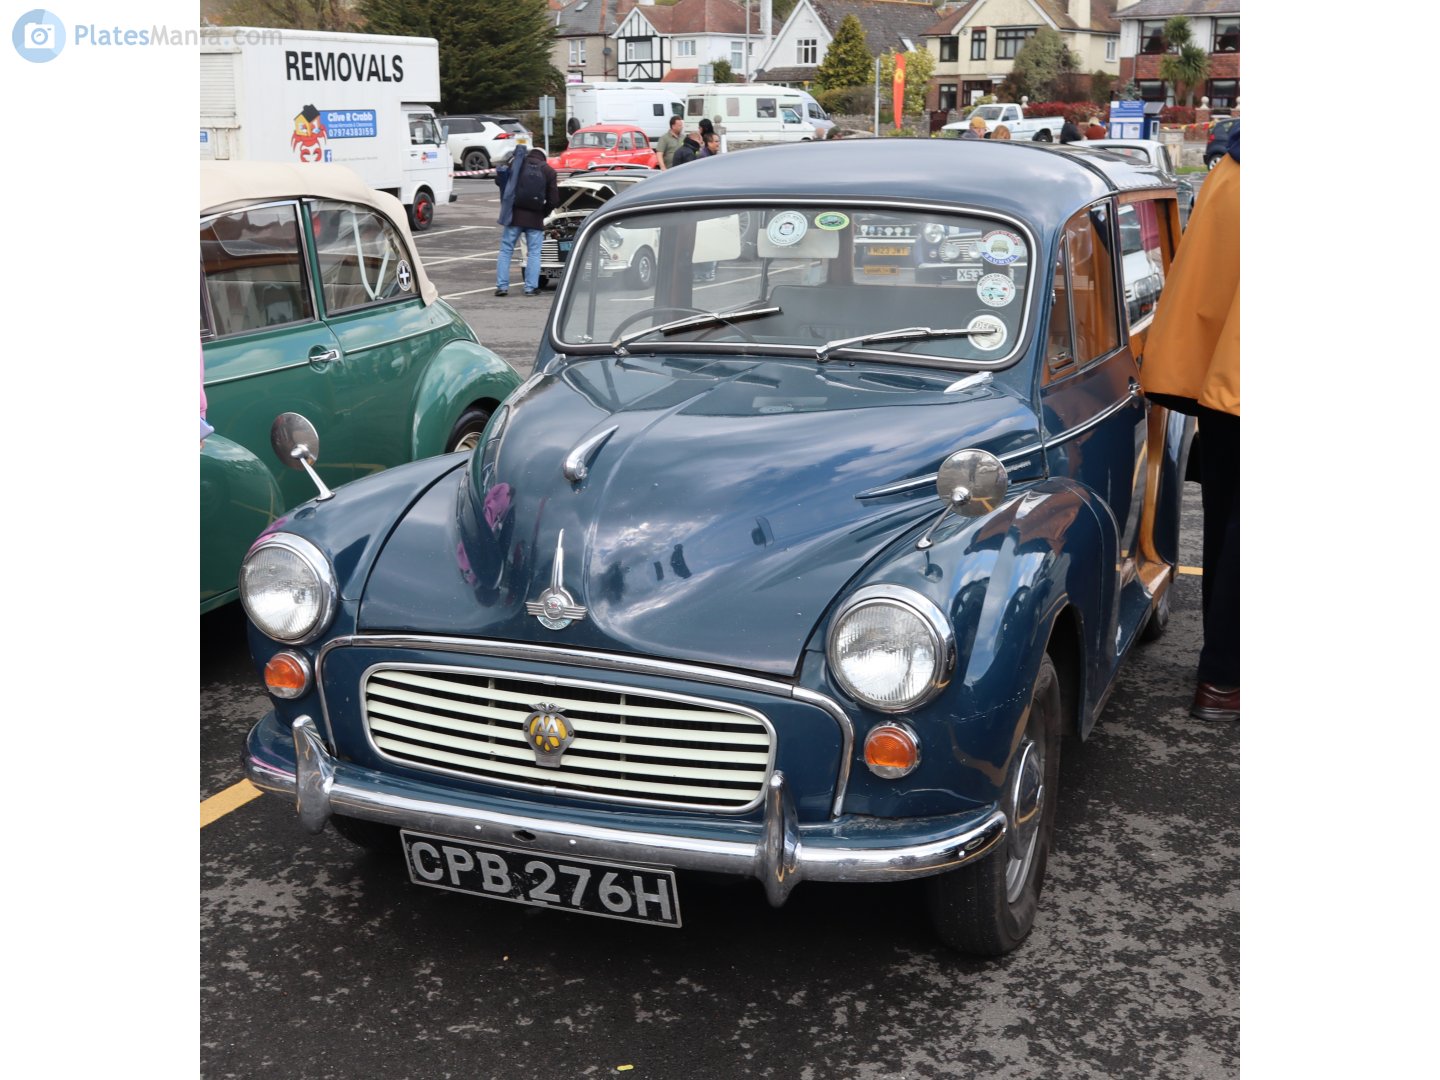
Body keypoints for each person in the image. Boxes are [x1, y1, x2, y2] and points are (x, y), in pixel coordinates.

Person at [1139, 122, 1240, 722]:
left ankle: (1221, 677)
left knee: (1229, 529)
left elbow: (1204, 288)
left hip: (1225, 379)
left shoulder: (1228, 174)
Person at [493, 137, 558, 297]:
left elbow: (499, 180)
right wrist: (544, 212)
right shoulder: (549, 171)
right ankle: (530, 288)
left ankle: (502, 287)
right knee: (534, 253)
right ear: (544, 158)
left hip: (514, 216)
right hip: (535, 218)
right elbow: (554, 200)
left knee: (506, 250)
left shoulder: (518, 162)